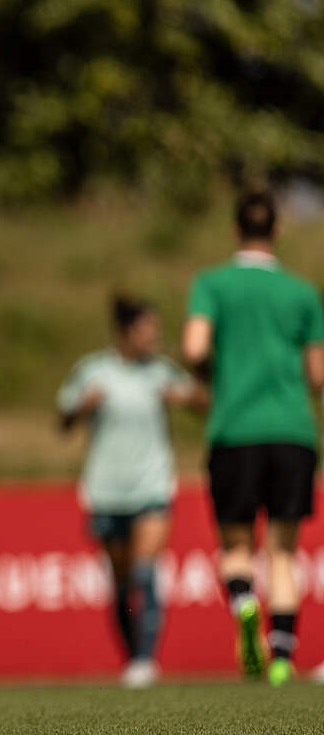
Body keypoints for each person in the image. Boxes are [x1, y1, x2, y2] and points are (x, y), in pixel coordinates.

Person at [182, 190, 324, 686]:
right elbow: (318, 374)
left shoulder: (213, 284)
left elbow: (195, 345)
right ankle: (283, 656)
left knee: (238, 546)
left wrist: (211, 372)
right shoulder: (303, 293)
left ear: (237, 229)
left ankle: (245, 603)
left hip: (234, 429)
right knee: (283, 552)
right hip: (292, 431)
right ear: (277, 229)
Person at [58, 296, 202, 688]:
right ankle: (132, 657)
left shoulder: (160, 372)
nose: (153, 337)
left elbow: (204, 401)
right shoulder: (94, 371)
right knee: (121, 583)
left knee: (145, 569)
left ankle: (145, 658)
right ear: (126, 332)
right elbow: (64, 418)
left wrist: (192, 390)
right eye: (147, 330)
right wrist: (82, 407)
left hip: (152, 486)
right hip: (106, 491)